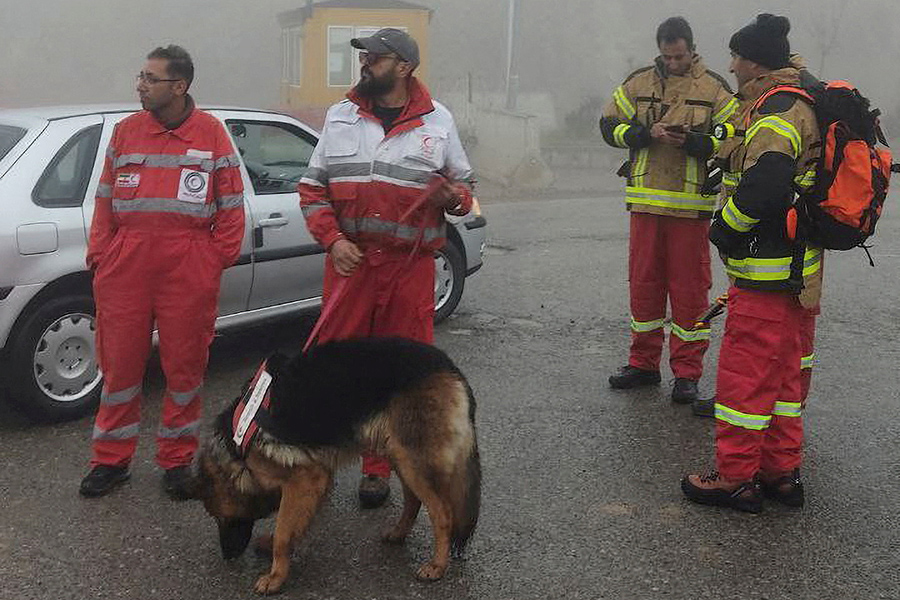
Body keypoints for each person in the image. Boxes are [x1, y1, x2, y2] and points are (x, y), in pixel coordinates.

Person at [298, 28, 475, 508]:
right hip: (351, 267)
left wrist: (452, 197)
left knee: (400, 374)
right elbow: (312, 189)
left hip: (408, 270)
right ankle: (320, 465)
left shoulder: (438, 122)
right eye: (364, 57)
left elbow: (466, 194)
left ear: (404, 66)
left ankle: (379, 470)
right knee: (337, 369)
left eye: (375, 57)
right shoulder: (340, 116)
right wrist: (332, 241)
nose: (365, 63)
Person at [80, 45, 245, 499]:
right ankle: (110, 462)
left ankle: (176, 460)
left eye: (150, 79)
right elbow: (104, 200)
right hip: (126, 266)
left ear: (179, 86)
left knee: (185, 369)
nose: (140, 85)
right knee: (119, 370)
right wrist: (103, 254)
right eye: (140, 76)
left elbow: (231, 207)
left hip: (187, 266)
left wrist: (213, 260)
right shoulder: (126, 131)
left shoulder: (211, 134)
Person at [681, 14, 823, 512]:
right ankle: (781, 473)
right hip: (799, 277)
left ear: (755, 61)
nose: (732, 64)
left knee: (745, 381)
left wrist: (724, 228)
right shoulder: (800, 102)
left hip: (765, 276)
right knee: (786, 380)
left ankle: (735, 477)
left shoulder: (775, 111)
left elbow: (767, 183)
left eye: (737, 56)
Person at [600, 16, 737, 404]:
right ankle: (643, 365)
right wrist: (645, 134)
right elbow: (608, 124)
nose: (673, 63)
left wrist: (695, 142)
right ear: (659, 51)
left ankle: (687, 374)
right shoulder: (639, 81)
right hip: (645, 205)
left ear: (691, 50)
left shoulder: (713, 87)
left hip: (691, 210)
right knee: (644, 288)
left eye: (678, 56)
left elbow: (733, 135)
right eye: (666, 56)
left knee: (690, 293)